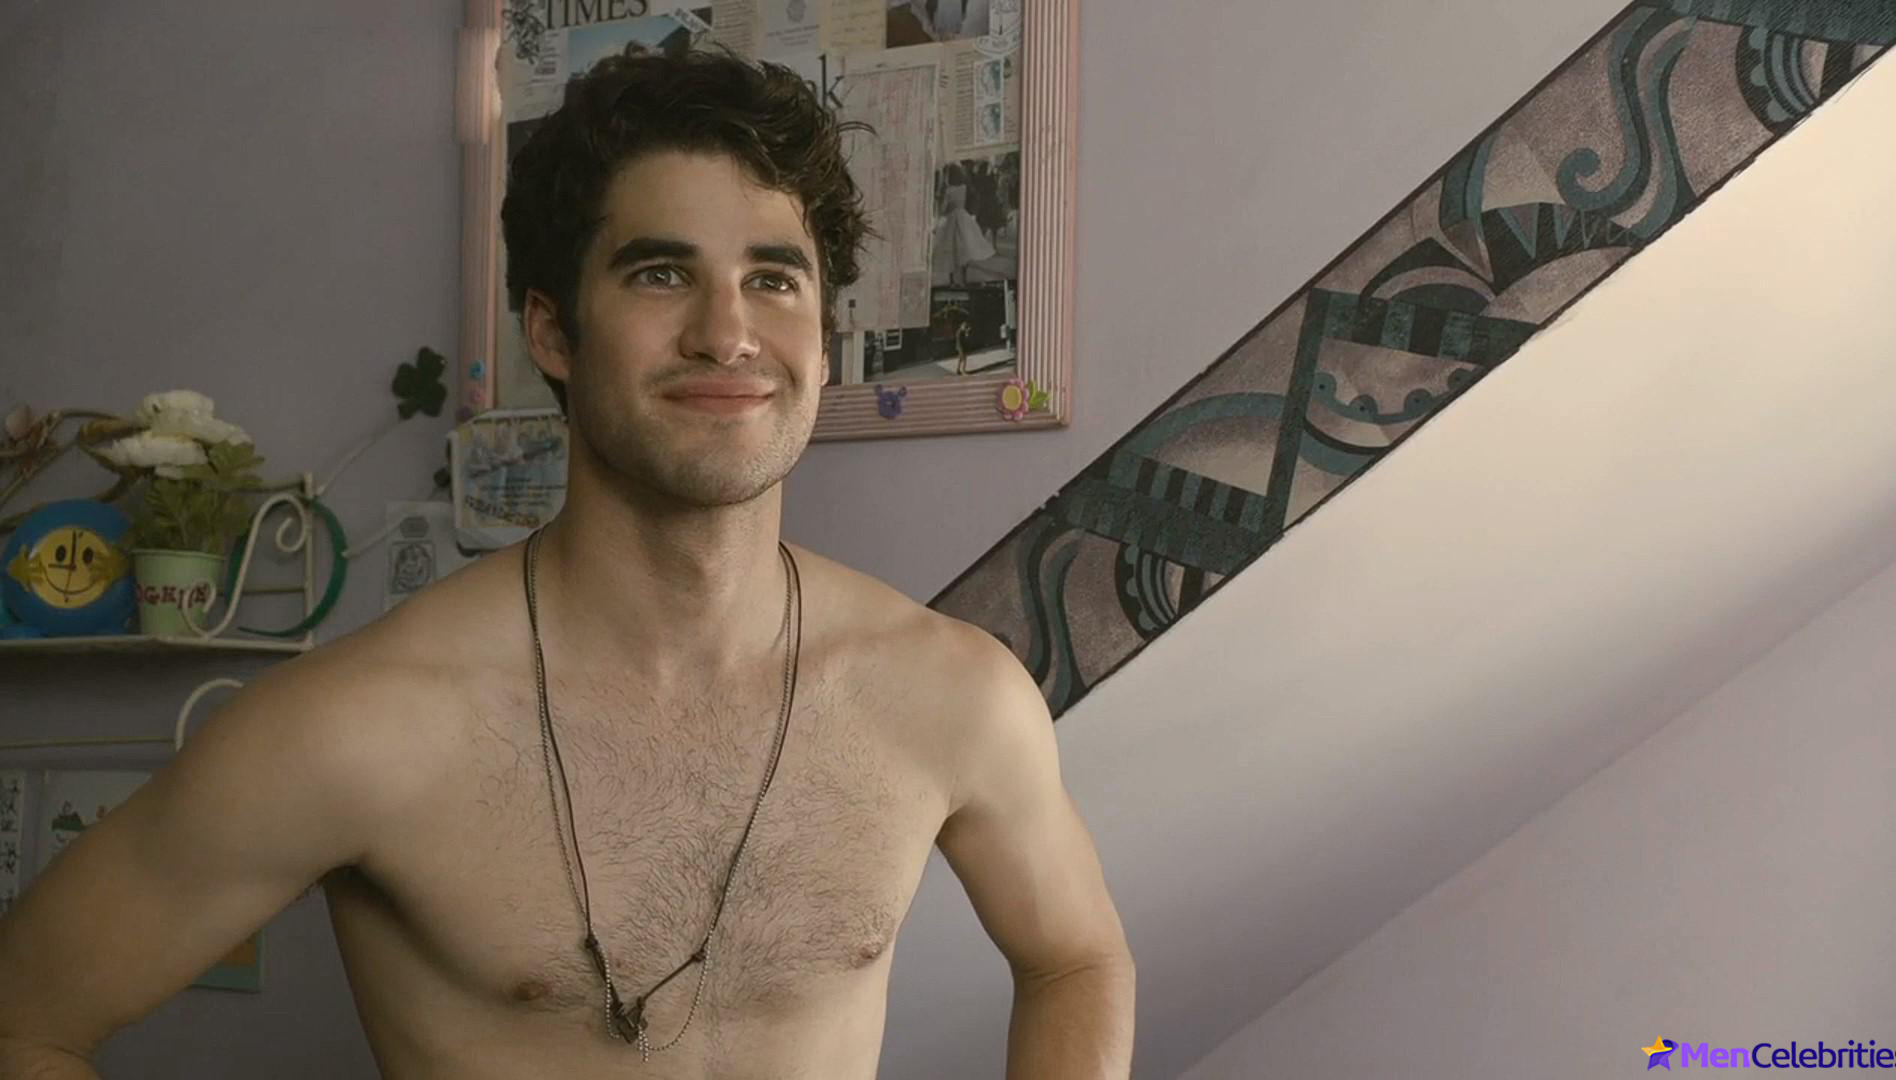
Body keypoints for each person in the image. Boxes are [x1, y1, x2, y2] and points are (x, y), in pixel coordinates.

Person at [0, 47, 1133, 1079]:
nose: (727, 333)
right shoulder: (356, 726)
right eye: (660, 274)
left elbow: (1077, 958)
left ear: (823, 341)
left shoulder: (952, 693)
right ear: (550, 331)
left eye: (774, 278)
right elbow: (24, 1022)